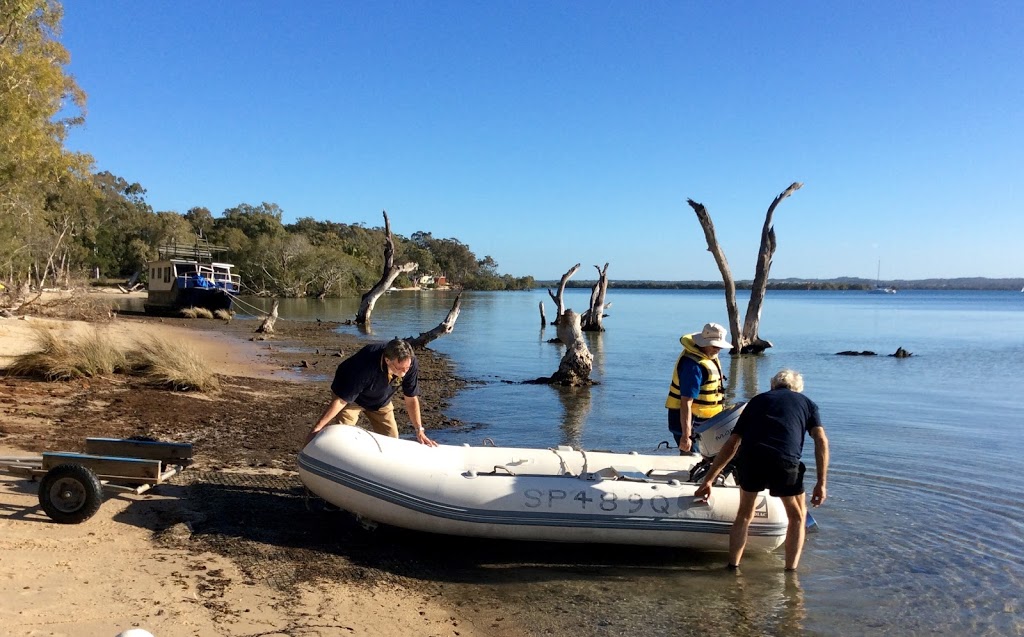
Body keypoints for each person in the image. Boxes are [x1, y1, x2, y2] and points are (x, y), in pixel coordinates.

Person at [694, 369, 830, 571]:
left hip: (751, 460)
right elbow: (820, 440)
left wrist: (709, 480)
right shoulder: (807, 404)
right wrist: (821, 483)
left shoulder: (756, 402)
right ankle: (790, 571)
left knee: (744, 515)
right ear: (797, 389)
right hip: (784, 463)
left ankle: (733, 565)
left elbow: (732, 443)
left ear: (772, 385)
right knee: (797, 516)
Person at [306, 338, 437, 447]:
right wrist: (317, 428)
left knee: (392, 440)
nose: (404, 373)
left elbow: (411, 398)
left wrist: (419, 430)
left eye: (407, 368)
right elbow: (341, 401)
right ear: (387, 360)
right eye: (400, 369)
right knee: (344, 438)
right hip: (351, 397)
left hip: (380, 400)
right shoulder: (365, 365)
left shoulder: (409, 363)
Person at [665, 322, 731, 454]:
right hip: (691, 424)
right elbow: (686, 402)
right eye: (714, 345)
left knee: (707, 460)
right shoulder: (693, 366)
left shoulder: (708, 357)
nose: (718, 349)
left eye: (720, 346)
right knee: (693, 460)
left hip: (706, 423)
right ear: (703, 343)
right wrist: (686, 436)